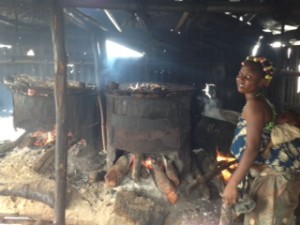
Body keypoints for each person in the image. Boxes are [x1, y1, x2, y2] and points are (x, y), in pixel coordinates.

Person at [220, 56, 300, 225]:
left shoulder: (254, 105)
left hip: (275, 180)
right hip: (272, 175)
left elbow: (252, 148)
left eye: (248, 77)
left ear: (263, 82)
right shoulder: (261, 102)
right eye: (241, 74)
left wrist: (233, 183)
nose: (241, 79)